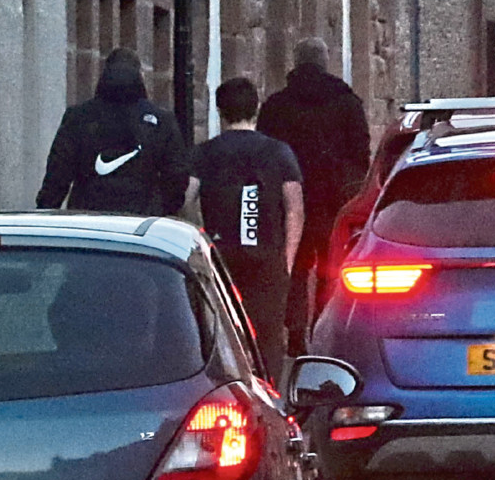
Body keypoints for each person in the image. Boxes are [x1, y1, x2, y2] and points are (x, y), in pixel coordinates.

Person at [185, 77, 305, 378]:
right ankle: (270, 397)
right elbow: (294, 207)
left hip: (221, 257)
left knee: (220, 332)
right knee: (267, 336)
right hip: (267, 256)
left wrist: (200, 239)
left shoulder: (205, 153)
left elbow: (185, 200)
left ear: (220, 112)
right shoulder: (278, 152)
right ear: (256, 109)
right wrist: (287, 260)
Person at [257, 41, 374, 337]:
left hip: (289, 196)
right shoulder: (346, 102)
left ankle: (294, 329)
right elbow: (360, 152)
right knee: (330, 266)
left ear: (296, 63)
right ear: (325, 62)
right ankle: (322, 326)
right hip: (333, 198)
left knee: (295, 264)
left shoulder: (277, 105)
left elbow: (266, 150)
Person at [36, 47, 190, 216]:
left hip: (88, 218)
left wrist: (46, 210)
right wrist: (161, 209)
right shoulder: (160, 121)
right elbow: (177, 176)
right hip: (141, 219)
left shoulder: (79, 118)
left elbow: (58, 174)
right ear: (140, 77)